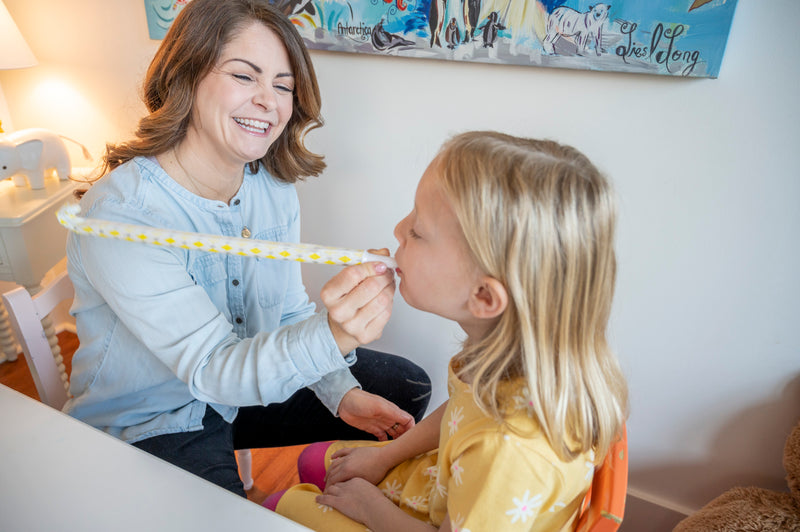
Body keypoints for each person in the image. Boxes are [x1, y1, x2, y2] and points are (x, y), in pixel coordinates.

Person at [64, 0, 430, 498]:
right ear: (186, 76)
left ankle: (315, 463)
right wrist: (334, 334)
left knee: (407, 388)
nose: (270, 101)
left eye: (283, 85)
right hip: (154, 422)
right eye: (245, 76)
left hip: (239, 386)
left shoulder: (271, 188)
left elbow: (286, 312)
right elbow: (214, 370)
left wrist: (340, 394)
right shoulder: (121, 217)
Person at [266, 131, 630, 531]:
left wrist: (370, 507)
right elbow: (461, 410)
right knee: (311, 462)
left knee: (279, 505)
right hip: (445, 484)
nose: (398, 229)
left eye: (418, 232)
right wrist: (385, 456)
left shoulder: (510, 451)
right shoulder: (503, 357)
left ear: (484, 297)